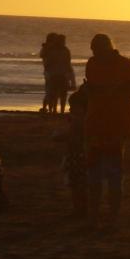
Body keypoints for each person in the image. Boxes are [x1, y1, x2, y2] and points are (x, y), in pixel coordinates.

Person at [84, 34, 130, 229]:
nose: (95, 53)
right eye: (93, 50)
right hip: (95, 123)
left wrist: (120, 90)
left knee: (113, 173)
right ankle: (94, 216)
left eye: (98, 49)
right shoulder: (92, 64)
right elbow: (91, 88)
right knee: (94, 173)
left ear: (107, 48)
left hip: (116, 124)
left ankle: (112, 216)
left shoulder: (125, 64)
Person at [53, 82, 89, 219]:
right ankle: (81, 208)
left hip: (78, 155)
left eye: (73, 107)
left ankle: (80, 209)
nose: (71, 109)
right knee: (79, 183)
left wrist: (60, 136)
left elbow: (72, 135)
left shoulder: (79, 121)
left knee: (78, 183)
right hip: (77, 154)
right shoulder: (80, 119)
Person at [39, 33, 58, 112]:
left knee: (52, 91)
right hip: (49, 71)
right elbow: (43, 56)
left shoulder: (49, 48)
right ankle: (47, 107)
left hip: (52, 71)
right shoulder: (47, 48)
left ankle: (50, 108)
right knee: (50, 91)